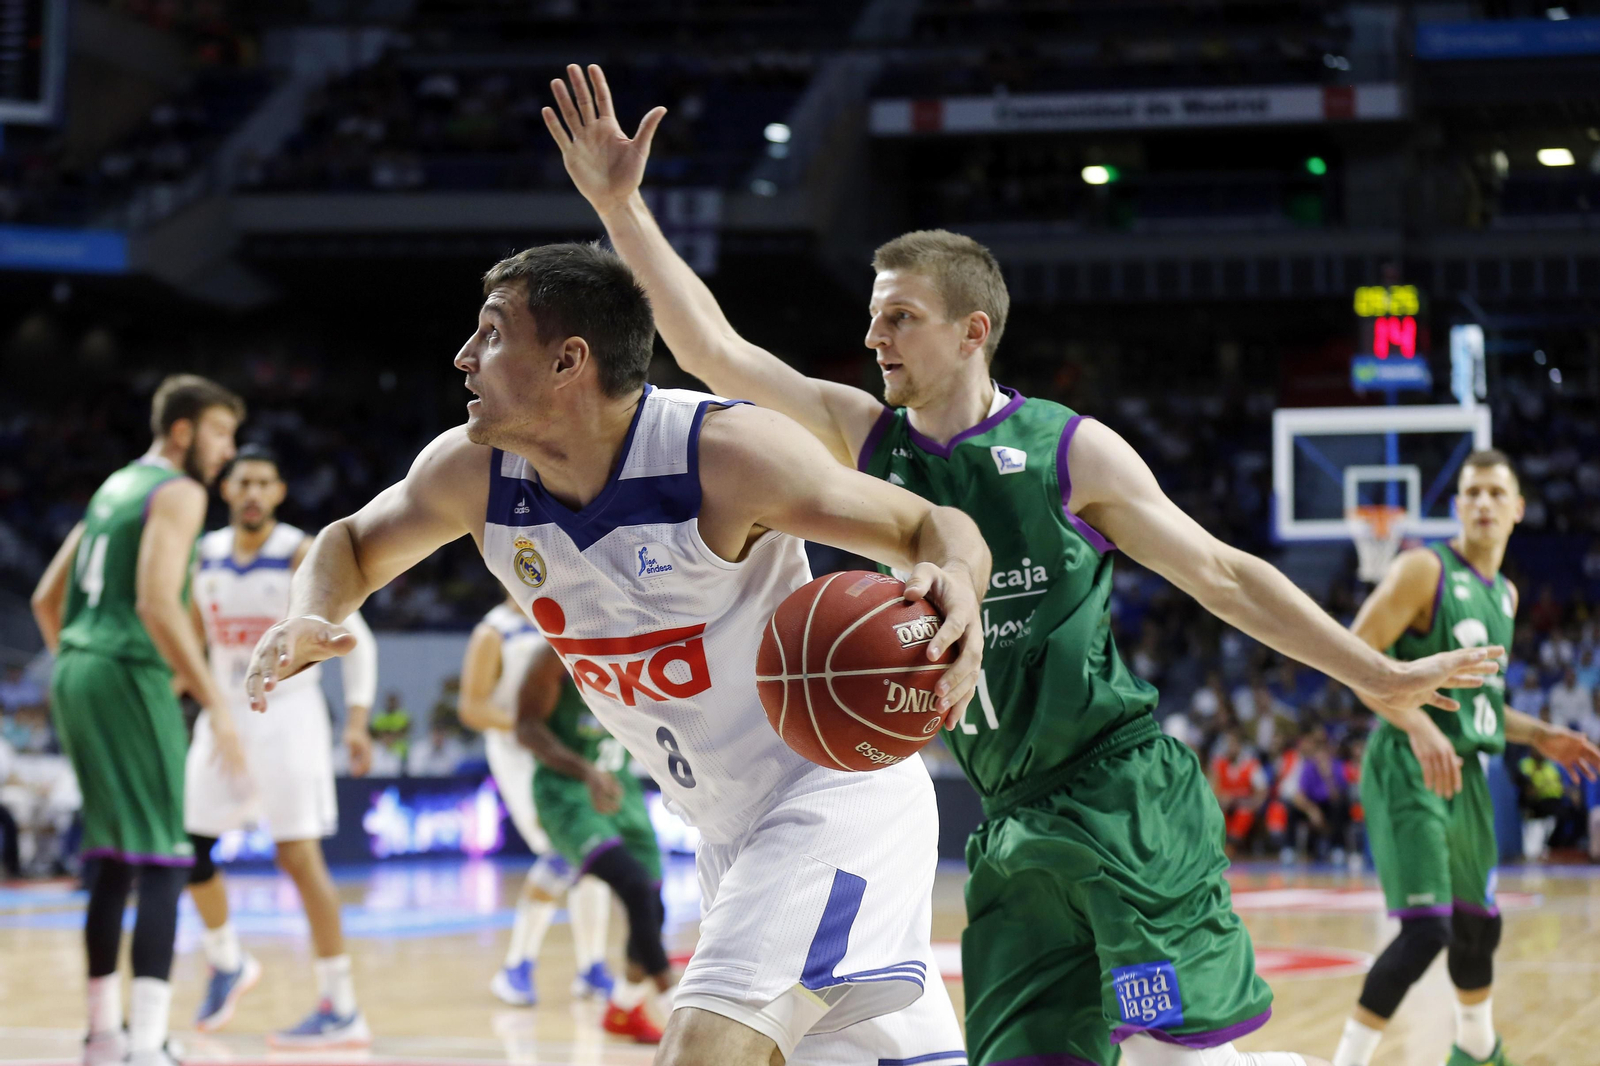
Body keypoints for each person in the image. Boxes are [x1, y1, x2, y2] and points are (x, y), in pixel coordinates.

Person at [549, 63, 1505, 1066]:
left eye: (899, 317)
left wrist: (1374, 671)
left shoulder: (1067, 449)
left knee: (1177, 1060)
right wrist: (621, 207)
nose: (873, 335)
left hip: (1118, 791)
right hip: (1010, 822)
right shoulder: (867, 438)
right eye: (873, 316)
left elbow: (1221, 575)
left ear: (973, 330)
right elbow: (714, 350)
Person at [243, 239, 988, 1066]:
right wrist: (311, 612)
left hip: (832, 797)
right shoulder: (473, 474)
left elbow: (927, 523)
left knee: (698, 1049)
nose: (462, 358)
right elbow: (348, 542)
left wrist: (957, 577)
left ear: (569, 360)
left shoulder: (725, 455)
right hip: (725, 832)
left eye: (490, 334)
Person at [1330, 450, 1600, 1066]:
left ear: (1517, 510)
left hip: (1467, 773)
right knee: (1428, 931)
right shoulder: (1422, 569)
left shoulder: (1503, 593)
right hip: (1408, 760)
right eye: (1471, 492)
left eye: (1495, 494)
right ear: (1457, 506)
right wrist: (1417, 724)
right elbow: (1352, 657)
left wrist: (1541, 737)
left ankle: (1476, 1050)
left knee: (1479, 927)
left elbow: (1480, 711)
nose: (1482, 503)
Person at [30, 375, 243, 1066]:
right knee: (163, 858)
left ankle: (103, 1035)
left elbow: (44, 599)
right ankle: (147, 1045)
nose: (227, 451)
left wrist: (86, 659)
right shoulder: (178, 491)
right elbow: (157, 604)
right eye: (219, 434)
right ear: (181, 431)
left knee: (116, 859)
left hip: (76, 668)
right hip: (125, 669)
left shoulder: (115, 486)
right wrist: (211, 697)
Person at [182, 443, 379, 1047]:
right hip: (224, 717)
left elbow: (356, 638)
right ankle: (226, 960)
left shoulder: (298, 551)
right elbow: (194, 643)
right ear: (227, 490)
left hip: (289, 716)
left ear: (278, 492)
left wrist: (355, 720)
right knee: (189, 848)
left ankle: (341, 1006)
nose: (252, 492)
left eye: (264, 482)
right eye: (243, 481)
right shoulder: (205, 556)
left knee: (298, 858)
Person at [514, 616, 671, 1041]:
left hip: (620, 786)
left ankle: (622, 1009)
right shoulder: (553, 656)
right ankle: (672, 1001)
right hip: (568, 791)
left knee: (653, 907)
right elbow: (525, 727)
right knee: (635, 888)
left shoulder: (643, 649)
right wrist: (584, 771)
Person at [458, 597, 615, 1008]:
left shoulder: (569, 613)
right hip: (520, 754)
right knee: (562, 852)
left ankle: (593, 968)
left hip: (568, 751)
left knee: (594, 851)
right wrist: (532, 725)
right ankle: (516, 968)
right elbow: (473, 708)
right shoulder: (494, 631)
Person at [1209, 730, 1268, 856]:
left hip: (1244, 804)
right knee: (1218, 812)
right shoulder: (1219, 765)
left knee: (1244, 812)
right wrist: (1220, 798)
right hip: (1224, 805)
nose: (1230, 748)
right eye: (1228, 745)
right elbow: (1212, 790)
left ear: (1240, 746)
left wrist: (1253, 803)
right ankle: (1220, 845)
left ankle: (1232, 845)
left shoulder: (1251, 765)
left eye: (1233, 744)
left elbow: (1262, 790)